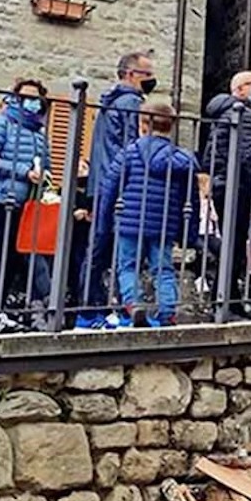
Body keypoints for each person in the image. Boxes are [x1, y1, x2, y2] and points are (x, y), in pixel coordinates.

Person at [98, 97, 201, 327]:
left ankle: (135, 305)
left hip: (130, 222)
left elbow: (109, 189)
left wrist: (103, 224)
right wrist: (190, 233)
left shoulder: (129, 153)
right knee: (163, 269)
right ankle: (167, 312)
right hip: (164, 224)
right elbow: (191, 199)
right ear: (172, 126)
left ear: (143, 124)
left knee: (128, 267)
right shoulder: (181, 160)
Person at [77, 51, 155, 330]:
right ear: (131, 74)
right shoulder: (131, 103)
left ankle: (89, 310)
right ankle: (119, 310)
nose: (152, 79)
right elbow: (134, 146)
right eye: (148, 74)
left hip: (102, 182)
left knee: (98, 249)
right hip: (122, 184)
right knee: (122, 251)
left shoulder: (108, 104)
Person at [0, 77, 52, 333]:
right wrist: (23, 172)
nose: (30, 103)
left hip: (27, 203)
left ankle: (2, 311)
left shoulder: (40, 134)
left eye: (35, 98)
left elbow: (47, 166)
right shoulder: (3, 123)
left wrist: (45, 180)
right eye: (24, 97)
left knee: (12, 257)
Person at [203, 70, 251, 315]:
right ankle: (226, 301)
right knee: (235, 244)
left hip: (224, 183)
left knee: (232, 242)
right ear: (240, 89)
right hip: (237, 185)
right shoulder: (243, 113)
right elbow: (248, 155)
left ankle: (224, 298)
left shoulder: (223, 112)